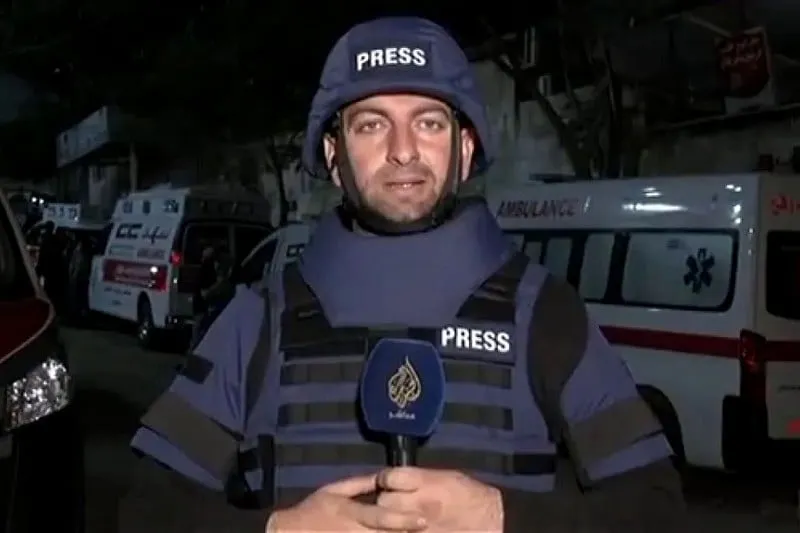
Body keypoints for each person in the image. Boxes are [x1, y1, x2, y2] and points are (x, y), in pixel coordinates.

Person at [126, 16, 686, 533]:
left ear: (465, 148)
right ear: (333, 154)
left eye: (429, 122)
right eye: (372, 124)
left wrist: (503, 520)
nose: (402, 151)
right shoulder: (257, 321)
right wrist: (278, 530)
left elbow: (657, 509)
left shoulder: (546, 313)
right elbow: (144, 510)